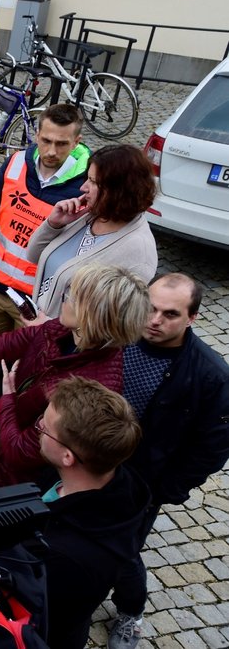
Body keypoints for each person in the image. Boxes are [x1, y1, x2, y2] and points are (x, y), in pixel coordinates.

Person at [0, 376, 150, 649]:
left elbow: (24, 611)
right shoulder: (89, 478)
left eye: (46, 427)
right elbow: (19, 508)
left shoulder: (70, 558)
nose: (37, 427)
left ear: (68, 456)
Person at [0, 264, 149, 487]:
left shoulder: (95, 387)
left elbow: (22, 453)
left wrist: (7, 399)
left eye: (72, 296)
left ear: (92, 315)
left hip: (32, 480)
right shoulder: (60, 330)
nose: (64, 299)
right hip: (10, 451)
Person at [107, 273, 229, 648]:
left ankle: (130, 612)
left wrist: (163, 490)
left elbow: (212, 447)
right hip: (84, 463)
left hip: (141, 483)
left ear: (191, 318)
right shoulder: (117, 338)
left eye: (170, 314)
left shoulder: (210, 374)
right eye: (150, 307)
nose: (154, 320)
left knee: (123, 552)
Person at [0, 104, 89, 437]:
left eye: (61, 144)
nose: (51, 151)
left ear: (77, 141)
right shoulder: (16, 163)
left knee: (28, 368)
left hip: (36, 305)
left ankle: (16, 429)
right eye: (45, 140)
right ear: (36, 133)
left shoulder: (87, 185)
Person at [27, 144, 158, 318]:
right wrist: (53, 224)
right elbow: (34, 256)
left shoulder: (138, 252)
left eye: (94, 182)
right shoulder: (89, 214)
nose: (83, 188)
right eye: (87, 178)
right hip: (37, 333)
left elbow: (112, 324)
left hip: (65, 343)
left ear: (119, 191)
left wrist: (47, 329)